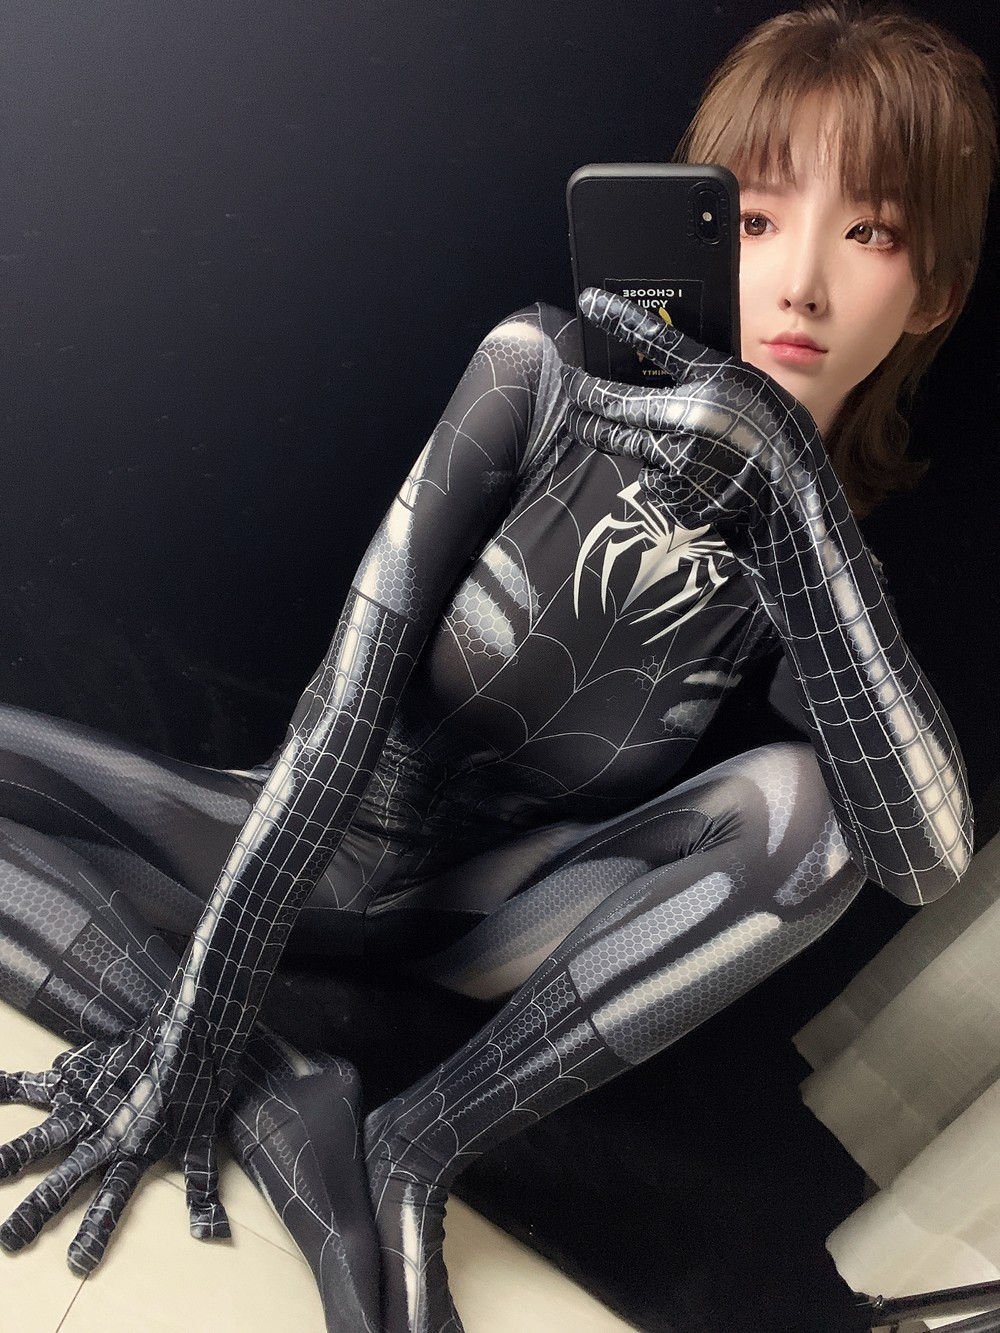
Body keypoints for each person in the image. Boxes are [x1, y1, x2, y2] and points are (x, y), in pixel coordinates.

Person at [0, 3, 994, 1330]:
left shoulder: (812, 562)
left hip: (493, 932)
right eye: (755, 219)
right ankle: (279, 1097)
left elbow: (923, 856)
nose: (802, 281)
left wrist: (795, 495)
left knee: (812, 811)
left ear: (932, 293)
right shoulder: (545, 370)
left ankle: (413, 1146)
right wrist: (196, 1037)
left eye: (870, 234)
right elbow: (340, 712)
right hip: (304, 837)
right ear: (697, 226)